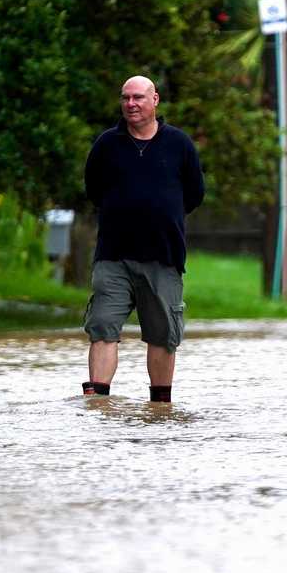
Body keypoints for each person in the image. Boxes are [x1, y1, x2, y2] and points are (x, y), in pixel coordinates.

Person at [81, 75, 205, 403]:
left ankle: (160, 406)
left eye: (138, 97)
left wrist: (162, 216)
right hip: (113, 256)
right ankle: (99, 403)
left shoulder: (179, 144)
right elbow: (93, 190)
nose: (130, 104)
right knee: (103, 326)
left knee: (163, 335)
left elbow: (194, 194)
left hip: (163, 257)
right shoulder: (106, 145)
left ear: (155, 100)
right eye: (125, 98)